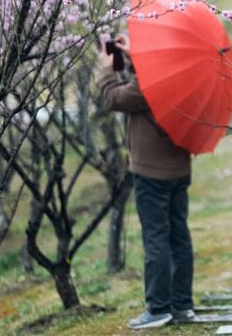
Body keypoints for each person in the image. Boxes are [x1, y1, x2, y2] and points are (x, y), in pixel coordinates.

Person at [96, 33, 195, 330]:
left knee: (156, 238)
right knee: (179, 236)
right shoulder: (184, 74)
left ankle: (159, 308)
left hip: (151, 173)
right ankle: (182, 305)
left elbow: (113, 98)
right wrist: (135, 57)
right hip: (179, 168)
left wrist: (106, 69)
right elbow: (149, 80)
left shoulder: (149, 84)